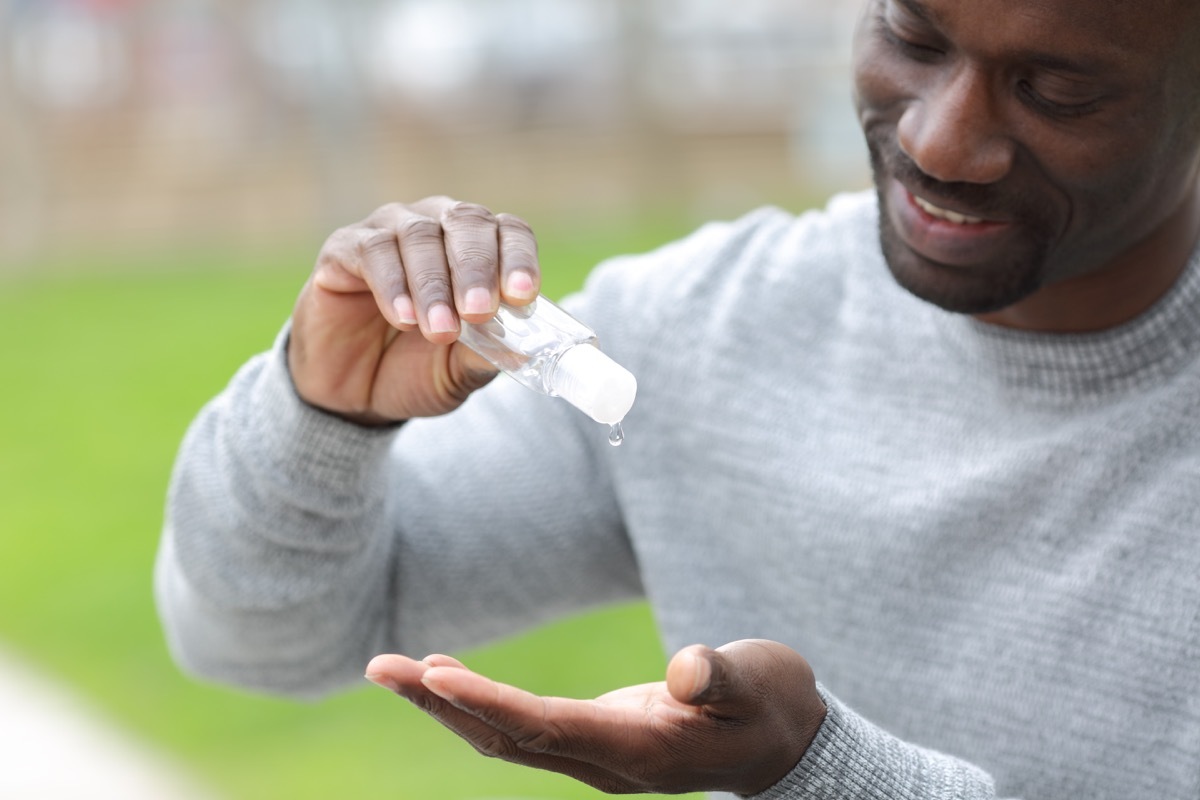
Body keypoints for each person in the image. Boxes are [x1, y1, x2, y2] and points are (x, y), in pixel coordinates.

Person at [155, 0, 1200, 798]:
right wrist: (324, 415)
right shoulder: (707, 328)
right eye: (913, 37)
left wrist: (819, 768)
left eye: (1058, 91)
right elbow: (259, 639)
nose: (938, 141)